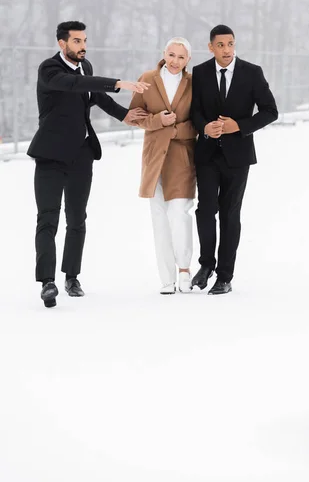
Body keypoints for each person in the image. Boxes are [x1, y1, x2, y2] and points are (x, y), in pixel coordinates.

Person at [27, 20, 150, 308]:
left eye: (84, 40)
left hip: (82, 153)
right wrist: (118, 83)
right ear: (62, 44)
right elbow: (74, 85)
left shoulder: (87, 66)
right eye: (77, 41)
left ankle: (72, 277)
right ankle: (47, 282)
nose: (83, 46)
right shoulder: (49, 70)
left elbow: (95, 95)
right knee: (48, 219)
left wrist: (124, 115)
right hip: (51, 154)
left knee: (77, 218)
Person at [190, 24, 278, 295]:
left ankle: (225, 276)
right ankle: (206, 265)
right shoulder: (200, 72)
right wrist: (204, 126)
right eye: (221, 45)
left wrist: (238, 126)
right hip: (206, 154)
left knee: (230, 214)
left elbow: (270, 111)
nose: (226, 50)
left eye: (230, 44)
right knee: (205, 210)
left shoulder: (252, 73)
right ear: (211, 47)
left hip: (237, 157)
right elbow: (195, 111)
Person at [129, 37, 197, 294]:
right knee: (159, 218)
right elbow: (134, 117)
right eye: (171, 55)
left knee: (179, 213)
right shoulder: (147, 78)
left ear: (188, 59)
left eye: (181, 57)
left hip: (181, 156)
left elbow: (199, 122)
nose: (175, 61)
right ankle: (166, 278)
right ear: (164, 53)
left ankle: (184, 270)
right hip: (154, 157)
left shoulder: (193, 84)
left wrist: (175, 129)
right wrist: (158, 120)